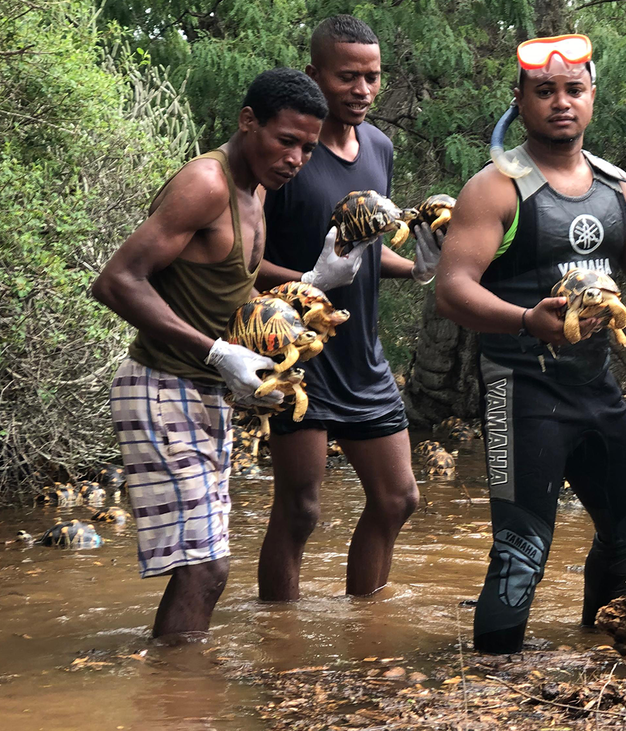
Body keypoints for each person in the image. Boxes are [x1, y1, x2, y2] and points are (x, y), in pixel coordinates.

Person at [435, 33, 626, 654]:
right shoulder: (496, 188)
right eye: (545, 91)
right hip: (518, 388)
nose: (561, 102)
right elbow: (451, 291)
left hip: (593, 386)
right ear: (520, 101)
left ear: (592, 97)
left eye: (573, 90)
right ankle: (491, 688)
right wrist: (530, 320)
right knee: (522, 551)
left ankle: (595, 646)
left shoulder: (617, 189)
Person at [91, 68, 329, 638]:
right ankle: (180, 705)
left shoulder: (258, 189)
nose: (296, 158)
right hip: (160, 387)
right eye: (286, 140)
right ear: (249, 122)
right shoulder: (208, 184)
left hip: (204, 391)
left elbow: (232, 286)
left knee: (207, 563)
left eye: (308, 148)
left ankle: (174, 687)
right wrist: (219, 352)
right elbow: (117, 281)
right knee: (207, 567)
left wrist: (312, 281)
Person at [255, 15, 441, 600]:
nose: (362, 90)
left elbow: (365, 250)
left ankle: (366, 629)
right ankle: (278, 645)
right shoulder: (285, 152)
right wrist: (311, 279)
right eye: (347, 77)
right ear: (314, 75)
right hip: (297, 352)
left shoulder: (380, 148)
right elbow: (241, 260)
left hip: (363, 354)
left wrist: (420, 267)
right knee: (301, 510)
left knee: (397, 498)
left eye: (373, 77)